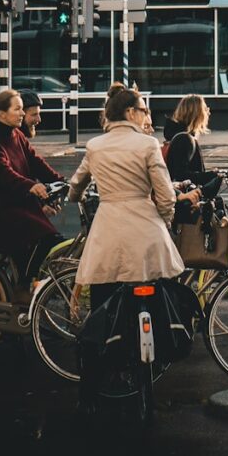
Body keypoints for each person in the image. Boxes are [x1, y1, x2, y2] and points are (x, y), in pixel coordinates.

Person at [68, 87, 200, 413]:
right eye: (142, 109)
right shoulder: (147, 144)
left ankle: (90, 393)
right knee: (155, 294)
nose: (145, 115)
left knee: (101, 311)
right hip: (146, 232)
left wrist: (76, 198)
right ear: (129, 112)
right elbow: (165, 196)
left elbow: (76, 186)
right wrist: (166, 221)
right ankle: (151, 357)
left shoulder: (95, 145)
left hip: (108, 233)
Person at [0, 90, 65, 285]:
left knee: (50, 239)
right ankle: (24, 287)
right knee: (46, 239)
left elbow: (36, 161)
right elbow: (2, 172)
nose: (22, 114)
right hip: (0, 211)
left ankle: (27, 285)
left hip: (19, 206)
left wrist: (63, 181)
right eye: (18, 109)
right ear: (1, 114)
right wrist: (31, 186)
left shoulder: (16, 134)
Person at [163, 95, 228, 227]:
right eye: (205, 109)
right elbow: (181, 175)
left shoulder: (181, 136)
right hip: (188, 202)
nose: (208, 112)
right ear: (197, 113)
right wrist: (212, 175)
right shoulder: (185, 140)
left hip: (186, 198)